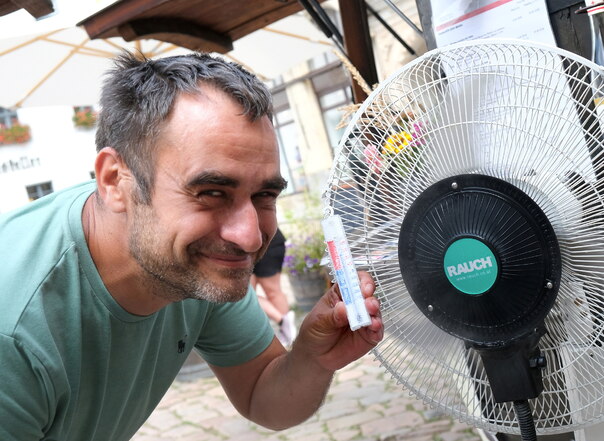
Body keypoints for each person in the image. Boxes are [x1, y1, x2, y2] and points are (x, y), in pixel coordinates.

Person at [0, 52, 383, 440]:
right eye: (211, 192)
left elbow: (262, 395)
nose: (249, 237)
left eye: (265, 195)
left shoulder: (184, 260)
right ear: (115, 181)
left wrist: (311, 358)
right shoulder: (13, 330)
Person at [250, 228, 297, 346]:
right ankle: (284, 322)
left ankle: (286, 329)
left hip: (268, 241)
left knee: (272, 291)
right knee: (248, 295)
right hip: (244, 245)